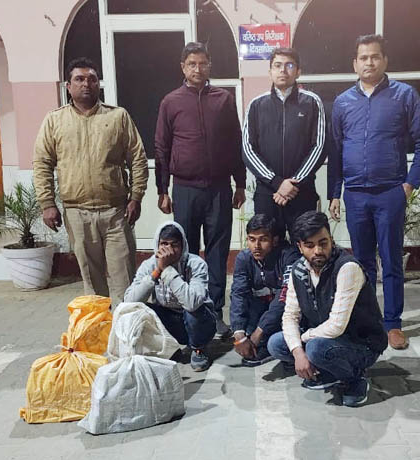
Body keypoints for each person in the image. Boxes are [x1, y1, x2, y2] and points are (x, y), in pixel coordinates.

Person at [328, 35, 420, 350]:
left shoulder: (404, 95)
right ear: (354, 64)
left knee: (391, 260)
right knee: (361, 264)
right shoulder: (343, 102)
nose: (369, 62)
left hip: (390, 193)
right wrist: (335, 193)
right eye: (363, 57)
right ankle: (367, 322)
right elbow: (336, 150)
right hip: (355, 194)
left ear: (385, 60)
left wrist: (410, 184)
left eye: (375, 57)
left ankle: (393, 324)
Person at [33, 57, 148, 305]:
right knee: (92, 287)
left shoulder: (117, 117)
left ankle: (125, 328)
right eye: (79, 79)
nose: (86, 84)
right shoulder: (55, 121)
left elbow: (137, 158)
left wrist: (136, 197)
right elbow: (42, 163)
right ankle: (99, 328)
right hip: (77, 214)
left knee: (125, 282)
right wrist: (47, 203)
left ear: (98, 84)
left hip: (116, 213)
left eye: (92, 79)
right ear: (68, 86)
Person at [155, 42, 246, 339]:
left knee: (218, 253)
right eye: (192, 64)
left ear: (209, 66)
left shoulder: (223, 100)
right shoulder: (171, 102)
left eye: (203, 63)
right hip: (185, 189)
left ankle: (214, 312)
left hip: (219, 188)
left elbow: (235, 143)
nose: (198, 68)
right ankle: (190, 312)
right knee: (186, 252)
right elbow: (162, 147)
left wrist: (240, 183)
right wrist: (162, 189)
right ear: (183, 67)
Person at [267, 211, 388, 407]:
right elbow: (290, 316)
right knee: (276, 344)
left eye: (323, 243)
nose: (318, 251)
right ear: (299, 246)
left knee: (314, 349)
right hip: (324, 338)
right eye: (310, 245)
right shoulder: (298, 270)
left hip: (361, 343)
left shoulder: (347, 268)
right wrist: (298, 353)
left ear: (331, 240)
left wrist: (303, 340)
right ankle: (328, 371)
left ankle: (354, 379)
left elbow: (336, 326)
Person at [242, 47, 326, 238]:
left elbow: (319, 147)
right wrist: (277, 183)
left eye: (289, 65)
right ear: (270, 71)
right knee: (269, 247)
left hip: (302, 192)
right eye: (277, 65)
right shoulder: (257, 105)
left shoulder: (312, 102)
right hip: (267, 194)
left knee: (304, 246)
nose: (283, 70)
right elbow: (247, 149)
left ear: (298, 71)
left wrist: (293, 184)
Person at [124, 221, 217, 372]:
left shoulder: (196, 264)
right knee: (138, 310)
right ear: (157, 245)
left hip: (200, 321)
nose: (169, 250)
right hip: (171, 320)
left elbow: (192, 303)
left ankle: (199, 349)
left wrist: (167, 270)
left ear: (183, 245)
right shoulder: (149, 265)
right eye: (164, 244)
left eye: (174, 245)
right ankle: (169, 349)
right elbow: (129, 301)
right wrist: (156, 273)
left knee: (193, 308)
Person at [230, 214, 300, 366]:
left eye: (263, 239)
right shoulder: (244, 258)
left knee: (276, 335)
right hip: (260, 309)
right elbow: (238, 294)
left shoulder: (289, 256)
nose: (256, 246)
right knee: (245, 324)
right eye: (252, 239)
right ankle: (261, 343)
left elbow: (285, 297)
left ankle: (270, 344)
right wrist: (239, 335)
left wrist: (259, 332)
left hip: (285, 313)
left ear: (275, 240)